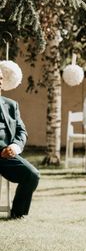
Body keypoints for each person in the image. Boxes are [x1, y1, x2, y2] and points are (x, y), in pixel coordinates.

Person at [0, 68, 40, 219]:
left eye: (1, 78)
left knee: (32, 175)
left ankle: (17, 213)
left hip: (7, 156)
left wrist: (14, 147)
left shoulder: (11, 105)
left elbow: (21, 132)